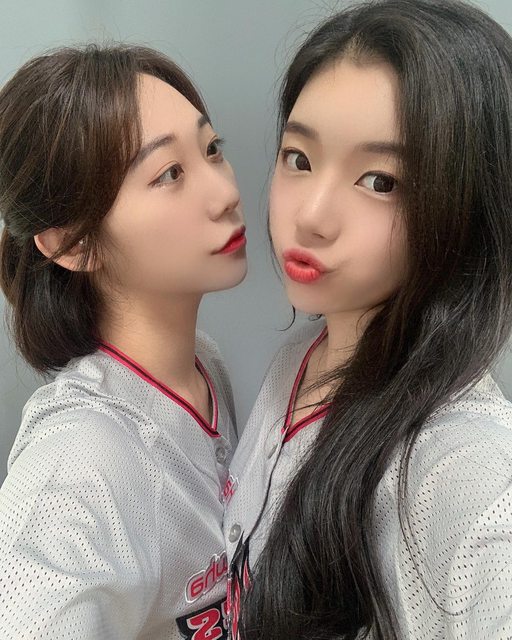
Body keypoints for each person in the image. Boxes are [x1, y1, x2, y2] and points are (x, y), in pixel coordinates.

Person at [223, 1, 512, 638]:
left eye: (380, 181)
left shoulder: (465, 469)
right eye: (299, 158)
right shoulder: (301, 358)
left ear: (466, 208)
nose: (311, 215)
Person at [0, 44, 246, 639]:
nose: (224, 194)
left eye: (212, 149)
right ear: (72, 244)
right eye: (169, 174)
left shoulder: (202, 364)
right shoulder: (76, 466)